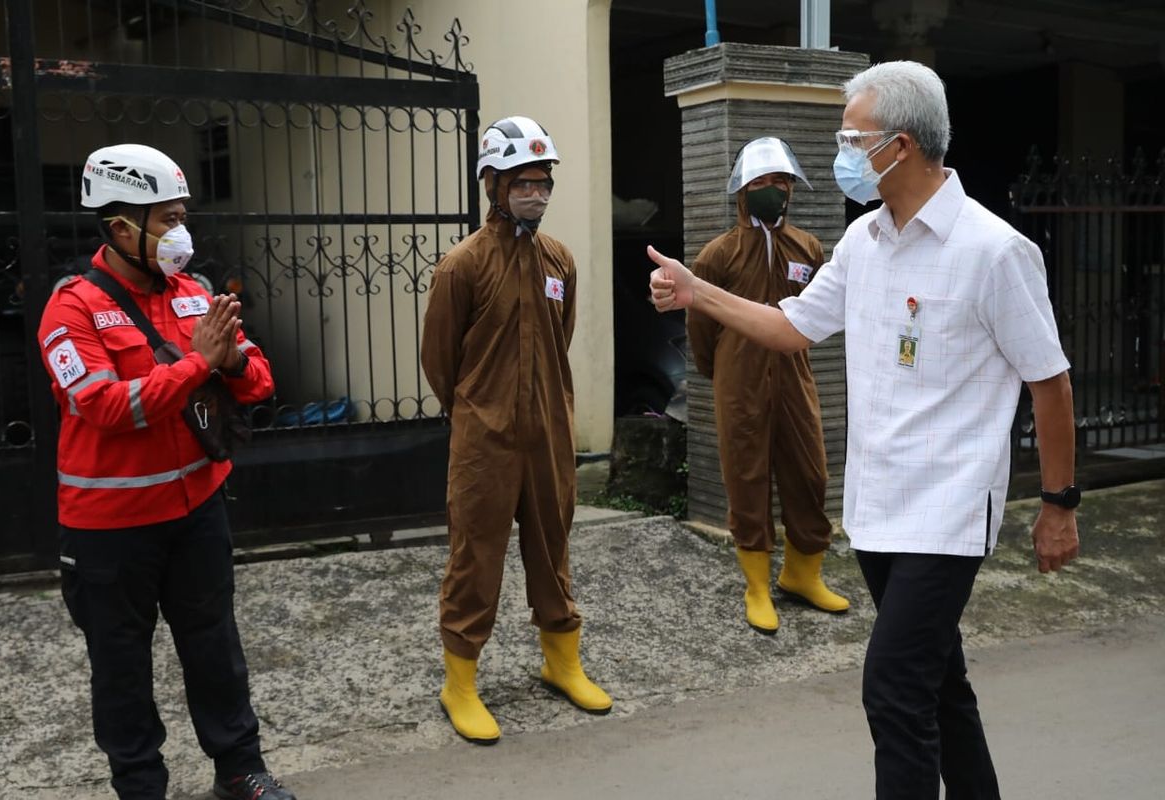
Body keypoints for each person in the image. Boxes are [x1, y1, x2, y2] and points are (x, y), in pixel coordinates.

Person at [647, 62, 1080, 799]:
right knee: (941, 686)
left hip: (947, 512)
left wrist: (1059, 505)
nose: (842, 152)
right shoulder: (865, 242)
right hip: (879, 509)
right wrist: (697, 290)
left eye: (853, 136)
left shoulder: (994, 250)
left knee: (893, 692)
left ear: (901, 146)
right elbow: (790, 327)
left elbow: (1051, 382)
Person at [37, 144, 295, 800]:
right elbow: (101, 405)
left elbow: (259, 380)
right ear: (120, 227)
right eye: (165, 219)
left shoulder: (195, 294)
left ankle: (240, 769)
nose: (180, 232)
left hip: (197, 510)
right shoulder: (70, 309)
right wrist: (197, 366)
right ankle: (140, 786)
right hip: (111, 528)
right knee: (120, 670)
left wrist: (228, 364)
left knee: (215, 649)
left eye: (182, 216)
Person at [421, 116, 612, 745]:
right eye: (523, 182)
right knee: (476, 553)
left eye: (543, 181)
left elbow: (564, 335)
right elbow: (439, 359)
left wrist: (543, 403)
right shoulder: (463, 265)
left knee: (553, 544)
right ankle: (461, 682)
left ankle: (562, 662)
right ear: (493, 185)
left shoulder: (559, 258)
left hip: (550, 429)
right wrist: (478, 407)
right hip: (485, 434)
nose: (536, 192)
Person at [688, 137, 850, 635]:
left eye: (780, 182)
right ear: (742, 191)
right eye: (760, 182)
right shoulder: (718, 254)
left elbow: (816, 313)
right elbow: (700, 326)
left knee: (809, 472)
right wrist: (727, 374)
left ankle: (803, 574)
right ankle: (757, 585)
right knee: (748, 478)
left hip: (795, 378)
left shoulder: (809, 247)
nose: (772, 190)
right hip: (738, 385)